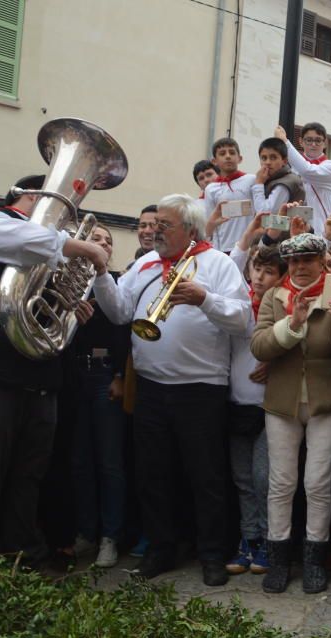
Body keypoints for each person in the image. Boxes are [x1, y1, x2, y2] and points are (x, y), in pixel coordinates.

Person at [0, 174, 109, 576]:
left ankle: (22, 565)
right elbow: (24, 242)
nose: (70, 216)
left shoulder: (49, 245)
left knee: (26, 481)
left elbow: (46, 311)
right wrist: (78, 245)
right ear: (31, 196)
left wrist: (70, 310)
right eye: (65, 206)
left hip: (37, 382)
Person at [92, 193, 251, 587]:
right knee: (152, 473)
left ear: (189, 229)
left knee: (205, 476)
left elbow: (243, 319)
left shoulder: (217, 264)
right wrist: (99, 273)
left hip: (200, 389)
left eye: (165, 225)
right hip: (150, 387)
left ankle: (212, 553)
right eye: (155, 224)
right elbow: (118, 311)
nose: (156, 231)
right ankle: (162, 548)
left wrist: (205, 299)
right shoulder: (146, 264)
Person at [250, 233, 331, 595]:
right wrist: (292, 325)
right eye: (294, 262)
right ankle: (278, 559)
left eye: (307, 260)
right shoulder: (273, 297)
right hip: (282, 402)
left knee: (317, 483)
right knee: (281, 484)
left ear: (321, 262)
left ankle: (314, 559)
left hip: (325, 401)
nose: (299, 268)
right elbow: (259, 346)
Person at [69, 225, 130, 568]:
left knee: (109, 461)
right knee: (79, 461)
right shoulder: (67, 281)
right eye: (97, 238)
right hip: (75, 376)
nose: (104, 243)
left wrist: (120, 374)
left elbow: (124, 329)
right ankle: (86, 532)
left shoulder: (116, 282)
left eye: (109, 241)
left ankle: (110, 535)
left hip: (106, 373)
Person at [225, 245, 285, 576]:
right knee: (242, 477)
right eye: (256, 269)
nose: (260, 277)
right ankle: (247, 538)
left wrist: (276, 362)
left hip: (270, 406)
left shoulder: (283, 307)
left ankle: (266, 540)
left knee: (264, 478)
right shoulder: (238, 306)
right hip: (238, 402)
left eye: (269, 272)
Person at [274, 123, 331, 236]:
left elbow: (307, 170)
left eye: (318, 140)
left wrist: (285, 142)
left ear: (325, 143)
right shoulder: (291, 165)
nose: (313, 144)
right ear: (301, 142)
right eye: (308, 140)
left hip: (319, 231)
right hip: (289, 229)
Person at [203, 138, 257, 251]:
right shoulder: (210, 189)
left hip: (249, 247)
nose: (228, 156)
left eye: (232, 153)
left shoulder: (252, 180)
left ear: (240, 158)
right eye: (222, 154)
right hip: (223, 248)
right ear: (214, 161)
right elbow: (210, 222)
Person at [252, 137, 305, 217]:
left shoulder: (286, 183)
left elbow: (264, 213)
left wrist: (258, 184)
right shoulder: (269, 178)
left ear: (284, 161)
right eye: (264, 158)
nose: (267, 162)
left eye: (273, 158)